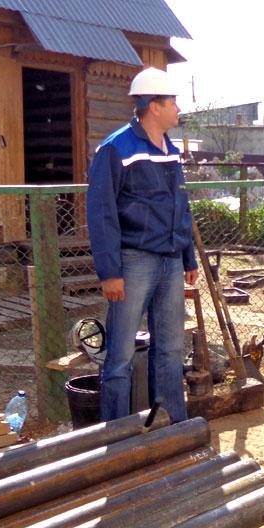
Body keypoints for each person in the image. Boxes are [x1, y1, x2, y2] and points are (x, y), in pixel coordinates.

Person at [87, 67, 197, 422]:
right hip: (134, 261)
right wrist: (110, 272)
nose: (178, 109)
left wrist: (188, 257)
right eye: (173, 102)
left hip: (170, 261)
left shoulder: (171, 150)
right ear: (154, 106)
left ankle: (171, 425)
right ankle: (115, 433)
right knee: (120, 355)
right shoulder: (116, 148)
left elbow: (180, 205)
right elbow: (101, 212)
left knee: (171, 349)